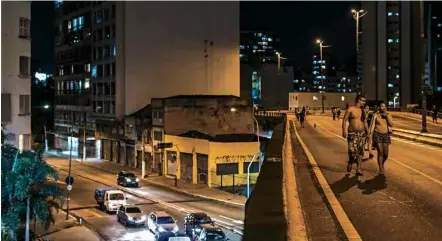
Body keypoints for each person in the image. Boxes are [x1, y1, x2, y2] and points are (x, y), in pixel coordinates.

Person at [342, 94, 368, 176]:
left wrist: (368, 132)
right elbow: (344, 120)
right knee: (352, 151)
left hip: (361, 134)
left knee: (360, 152)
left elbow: (365, 122)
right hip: (352, 133)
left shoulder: (363, 110)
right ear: (358, 101)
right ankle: (350, 161)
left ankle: (359, 169)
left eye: (364, 101)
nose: (364, 102)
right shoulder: (350, 109)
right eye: (363, 101)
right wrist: (344, 131)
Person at [370, 101, 393, 175]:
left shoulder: (388, 115)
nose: (383, 107)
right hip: (377, 134)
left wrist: (387, 116)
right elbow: (372, 125)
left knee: (386, 154)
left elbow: (391, 124)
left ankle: (382, 163)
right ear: (379, 107)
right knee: (380, 152)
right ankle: (380, 168)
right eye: (382, 106)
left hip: (385, 135)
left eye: (384, 106)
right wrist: (370, 134)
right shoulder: (375, 115)